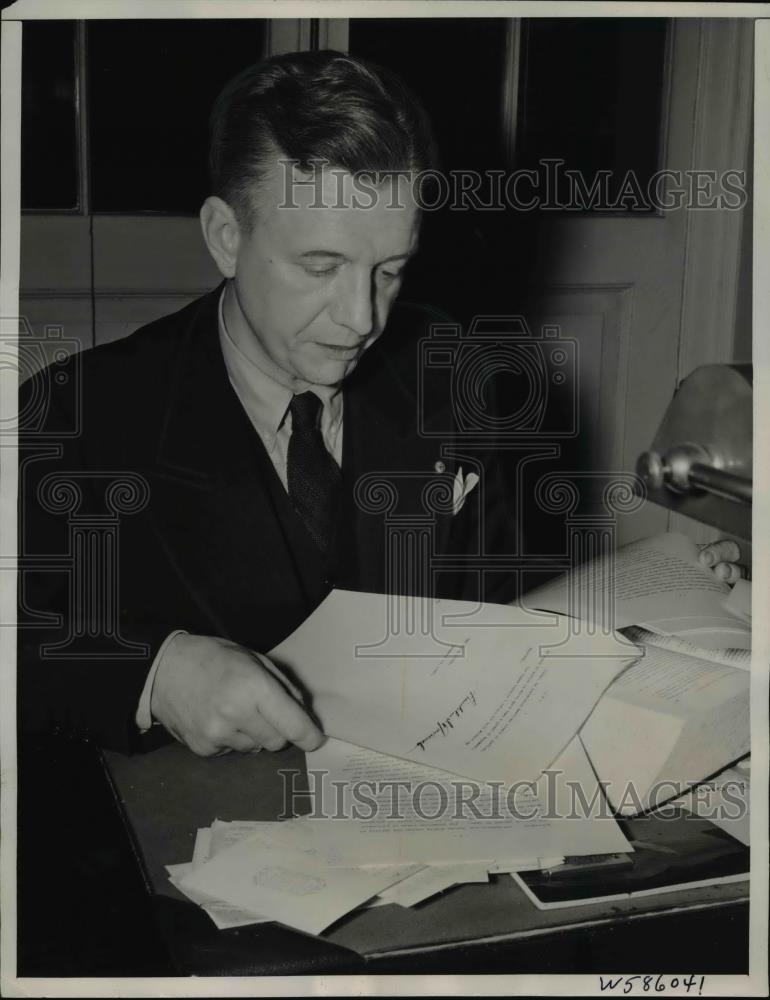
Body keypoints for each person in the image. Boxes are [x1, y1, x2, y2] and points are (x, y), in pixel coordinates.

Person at [17, 50, 744, 761]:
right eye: (321, 267)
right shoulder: (75, 415)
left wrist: (664, 605)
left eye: (390, 270)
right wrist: (155, 672)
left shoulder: (454, 375)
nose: (362, 318)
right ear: (226, 237)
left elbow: (504, 611)